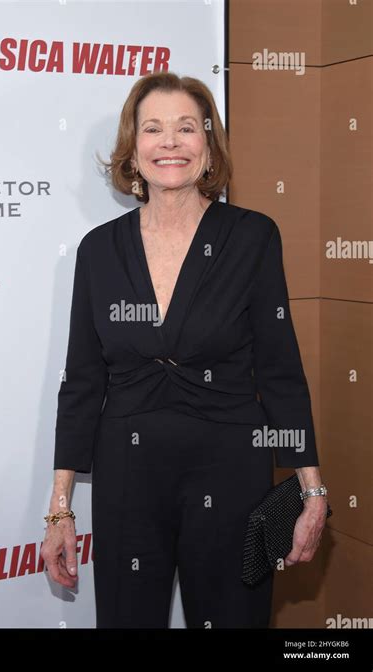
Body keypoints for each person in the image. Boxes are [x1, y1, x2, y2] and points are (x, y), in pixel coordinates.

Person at [40, 71, 329, 629]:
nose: (169, 142)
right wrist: (60, 509)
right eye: (153, 128)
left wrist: (312, 489)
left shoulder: (252, 237)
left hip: (232, 470)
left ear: (208, 144)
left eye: (186, 128)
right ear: (133, 148)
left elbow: (281, 371)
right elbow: (81, 382)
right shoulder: (99, 251)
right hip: (128, 474)